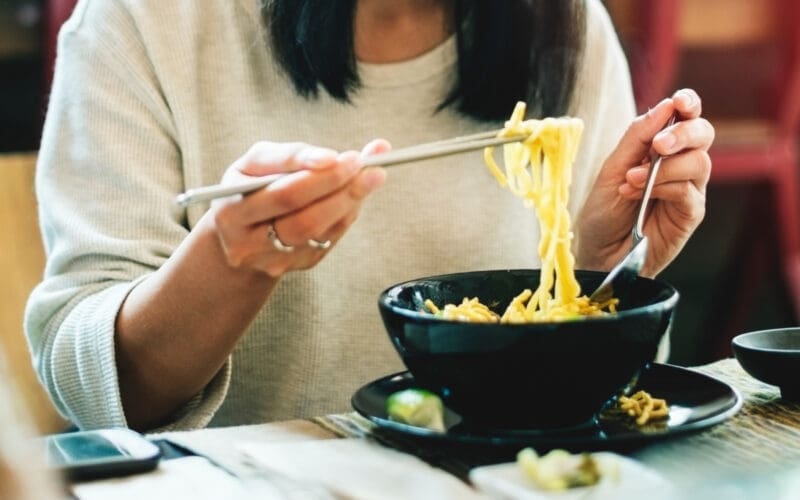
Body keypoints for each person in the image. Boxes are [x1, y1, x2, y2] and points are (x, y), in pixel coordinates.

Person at [26, 0, 714, 431]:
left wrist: (601, 279)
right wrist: (228, 263)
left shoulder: (564, 23)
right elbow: (98, 389)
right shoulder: (142, 22)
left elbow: (605, 412)